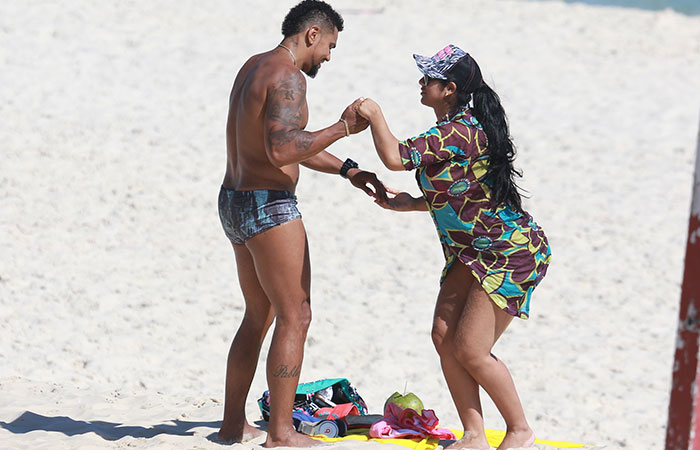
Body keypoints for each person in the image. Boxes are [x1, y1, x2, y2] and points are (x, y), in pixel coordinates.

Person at [355, 45, 551, 450]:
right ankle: (475, 435)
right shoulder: (455, 127)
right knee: (444, 337)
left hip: (508, 252)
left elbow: (395, 157)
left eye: (428, 78)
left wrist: (372, 112)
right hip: (471, 251)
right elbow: (464, 189)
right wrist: (411, 202)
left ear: (450, 88)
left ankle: (519, 430)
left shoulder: (458, 130)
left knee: (471, 349)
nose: (421, 84)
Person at [216, 1, 386, 447]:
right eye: (329, 46)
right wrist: (342, 127)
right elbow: (284, 150)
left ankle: (233, 424)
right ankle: (282, 433)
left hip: (234, 200)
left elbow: (277, 141)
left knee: (259, 314)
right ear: (312, 34)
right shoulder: (290, 78)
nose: (328, 56)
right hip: (268, 206)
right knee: (297, 314)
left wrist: (348, 168)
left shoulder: (254, 66)